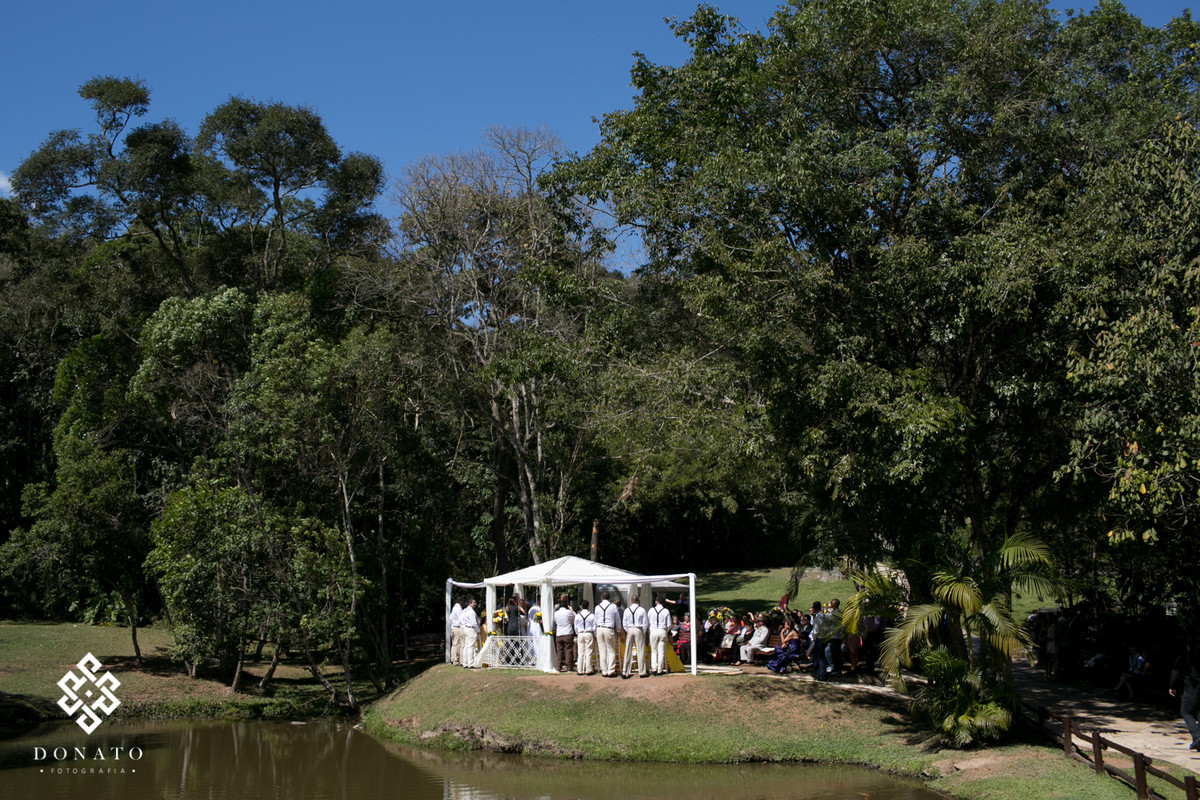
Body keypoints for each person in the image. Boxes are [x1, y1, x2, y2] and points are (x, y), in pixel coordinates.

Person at [1170, 637, 1200, 751]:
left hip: (1191, 686)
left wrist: (1173, 686)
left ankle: (1197, 735)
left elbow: (1176, 671)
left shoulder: (1185, 657)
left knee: (1186, 712)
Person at [622, 594, 649, 678]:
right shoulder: (642, 610)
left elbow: (624, 623)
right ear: (638, 600)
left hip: (630, 629)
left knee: (628, 650)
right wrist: (642, 631)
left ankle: (625, 671)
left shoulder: (627, 610)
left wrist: (628, 630)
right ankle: (642, 671)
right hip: (638, 629)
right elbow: (645, 623)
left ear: (631, 600)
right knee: (640, 650)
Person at [595, 591, 622, 677]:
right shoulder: (613, 606)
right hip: (609, 628)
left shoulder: (597, 607)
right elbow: (617, 619)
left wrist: (595, 631)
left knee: (602, 650)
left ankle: (604, 670)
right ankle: (611, 670)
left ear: (602, 598)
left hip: (599, 628)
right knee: (611, 649)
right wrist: (618, 630)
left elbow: (595, 620)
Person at [648, 594, 672, 675]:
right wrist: (666, 630)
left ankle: (654, 668)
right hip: (662, 630)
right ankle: (660, 669)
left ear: (656, 602)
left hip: (653, 630)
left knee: (654, 650)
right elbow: (669, 624)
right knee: (661, 650)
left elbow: (648, 622)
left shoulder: (651, 610)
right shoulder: (666, 611)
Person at [553, 594, 576, 672]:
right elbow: (575, 617)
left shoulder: (556, 613)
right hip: (567, 632)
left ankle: (558, 667)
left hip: (559, 633)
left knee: (559, 651)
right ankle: (568, 667)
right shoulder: (568, 612)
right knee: (568, 650)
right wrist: (571, 609)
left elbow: (555, 621)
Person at [809, 601, 832, 681]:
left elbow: (815, 630)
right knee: (819, 656)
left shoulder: (818, 617)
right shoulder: (825, 616)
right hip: (824, 638)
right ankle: (817, 671)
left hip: (819, 638)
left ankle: (821, 674)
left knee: (819, 657)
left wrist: (814, 638)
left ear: (815, 608)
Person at [575, 599, 597, 675]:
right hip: (588, 633)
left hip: (580, 633)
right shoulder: (591, 615)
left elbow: (576, 627)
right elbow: (594, 627)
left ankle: (580, 669)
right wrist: (594, 635)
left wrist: (578, 633)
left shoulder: (578, 616)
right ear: (588, 606)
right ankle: (588, 669)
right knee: (588, 652)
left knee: (580, 652)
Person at [459, 598, 481, 668]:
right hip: (470, 628)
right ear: (470, 603)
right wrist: (478, 630)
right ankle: (470, 663)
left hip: (465, 628)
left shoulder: (464, 611)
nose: (475, 604)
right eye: (474, 602)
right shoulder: (471, 612)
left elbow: (461, 620)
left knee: (466, 646)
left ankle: (465, 662)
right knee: (470, 646)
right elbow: (474, 623)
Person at [449, 595, 464, 665]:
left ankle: (453, 658)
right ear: (460, 601)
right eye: (463, 602)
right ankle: (456, 659)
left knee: (454, 644)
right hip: (457, 627)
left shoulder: (454, 608)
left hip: (453, 627)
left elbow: (451, 617)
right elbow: (461, 618)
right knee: (457, 644)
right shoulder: (458, 608)